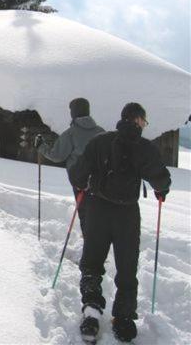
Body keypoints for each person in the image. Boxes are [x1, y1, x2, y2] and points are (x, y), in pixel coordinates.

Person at [68, 102, 171, 343]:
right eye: (144, 121)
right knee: (127, 265)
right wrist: (161, 191)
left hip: (97, 209)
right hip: (127, 214)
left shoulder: (100, 141)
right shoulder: (144, 148)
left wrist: (83, 182)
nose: (144, 126)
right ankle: (123, 319)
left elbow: (78, 175)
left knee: (92, 261)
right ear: (137, 121)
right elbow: (161, 179)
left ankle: (92, 311)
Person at [34, 98, 105, 236]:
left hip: (79, 180)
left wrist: (41, 146)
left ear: (73, 113)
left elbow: (57, 155)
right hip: (100, 180)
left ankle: (89, 250)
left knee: (85, 213)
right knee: (98, 213)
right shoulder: (101, 131)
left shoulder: (71, 133)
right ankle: (98, 246)